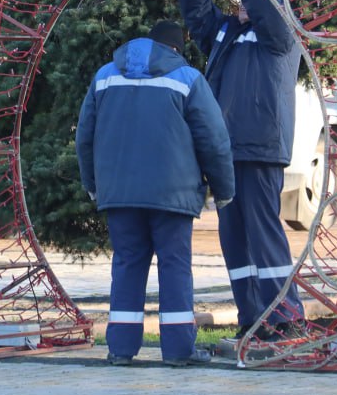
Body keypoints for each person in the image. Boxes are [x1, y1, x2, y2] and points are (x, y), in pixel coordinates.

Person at [75, 20, 235, 366]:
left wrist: (92, 184)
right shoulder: (187, 78)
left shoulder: (105, 76)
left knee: (127, 264)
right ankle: (178, 351)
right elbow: (214, 141)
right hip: (173, 195)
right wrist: (223, 190)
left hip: (119, 193)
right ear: (176, 49)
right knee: (175, 266)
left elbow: (84, 136)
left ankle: (120, 349)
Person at [176, 0, 305, 339]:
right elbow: (198, 18)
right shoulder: (228, 34)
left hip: (261, 148)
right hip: (225, 151)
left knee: (264, 233)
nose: (241, 5)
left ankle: (286, 317)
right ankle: (253, 317)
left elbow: (264, 7)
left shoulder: (280, 35)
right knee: (234, 238)